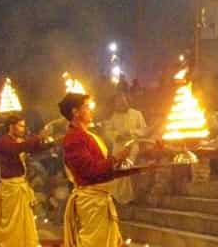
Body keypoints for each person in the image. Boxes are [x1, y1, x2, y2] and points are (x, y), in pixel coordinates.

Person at [59, 93, 150, 247]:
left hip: (100, 200)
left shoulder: (88, 135)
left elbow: (103, 169)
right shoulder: (74, 138)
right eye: (87, 107)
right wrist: (116, 158)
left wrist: (138, 169)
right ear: (75, 112)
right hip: (91, 203)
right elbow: (91, 171)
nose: (90, 110)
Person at [0, 116, 53, 247]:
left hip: (20, 186)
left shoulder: (19, 141)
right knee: (12, 221)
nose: (23, 129)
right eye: (20, 126)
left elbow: (34, 148)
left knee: (23, 221)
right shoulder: (4, 141)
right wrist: (39, 136)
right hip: (11, 187)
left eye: (24, 126)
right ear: (11, 126)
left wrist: (55, 142)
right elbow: (17, 148)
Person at [100, 93, 147, 204]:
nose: (120, 104)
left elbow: (144, 129)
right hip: (118, 147)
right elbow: (107, 132)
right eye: (118, 102)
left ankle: (127, 198)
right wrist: (117, 135)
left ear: (127, 101)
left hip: (132, 145)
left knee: (126, 168)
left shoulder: (137, 114)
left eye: (122, 101)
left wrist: (131, 133)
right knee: (116, 171)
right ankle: (117, 197)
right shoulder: (114, 116)